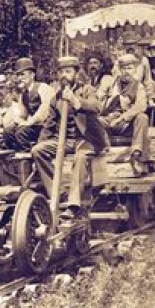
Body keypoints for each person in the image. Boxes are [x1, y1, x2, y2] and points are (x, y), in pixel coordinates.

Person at [31, 56, 109, 220]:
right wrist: (40, 144)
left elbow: (96, 107)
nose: (64, 75)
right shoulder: (56, 98)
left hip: (87, 140)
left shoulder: (87, 90)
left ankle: (74, 205)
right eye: (61, 72)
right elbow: (49, 126)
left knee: (80, 158)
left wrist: (76, 101)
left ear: (76, 73)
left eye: (68, 71)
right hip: (65, 141)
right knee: (37, 150)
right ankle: (58, 194)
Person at [100, 54, 150, 176]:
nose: (126, 71)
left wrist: (121, 118)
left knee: (142, 117)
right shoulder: (112, 84)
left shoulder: (139, 86)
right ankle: (99, 155)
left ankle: (136, 155)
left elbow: (140, 106)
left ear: (135, 70)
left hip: (127, 125)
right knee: (94, 120)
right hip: (109, 121)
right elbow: (99, 103)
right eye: (123, 68)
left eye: (129, 68)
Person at [2, 57, 55, 152]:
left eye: (22, 74)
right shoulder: (24, 94)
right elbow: (23, 115)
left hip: (48, 127)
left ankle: (27, 156)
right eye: (18, 75)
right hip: (35, 126)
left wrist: (28, 123)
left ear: (32, 75)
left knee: (21, 132)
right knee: (8, 132)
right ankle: (14, 155)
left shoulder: (43, 88)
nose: (20, 78)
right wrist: (15, 123)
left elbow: (44, 110)